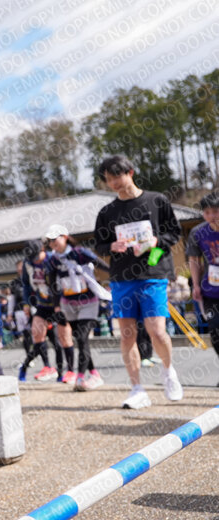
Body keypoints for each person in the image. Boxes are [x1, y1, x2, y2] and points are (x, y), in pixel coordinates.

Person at [94, 154, 183, 408]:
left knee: (157, 331)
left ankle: (168, 371)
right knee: (126, 335)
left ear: (130, 172)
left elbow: (174, 232)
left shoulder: (157, 200)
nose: (113, 183)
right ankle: (137, 388)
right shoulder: (107, 212)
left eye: (116, 176)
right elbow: (99, 245)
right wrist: (112, 246)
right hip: (121, 277)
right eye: (108, 179)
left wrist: (156, 241)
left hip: (152, 273)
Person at [43, 225, 107, 391]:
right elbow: (53, 285)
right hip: (68, 304)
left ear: (65, 237)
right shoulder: (53, 260)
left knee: (82, 337)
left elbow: (101, 264)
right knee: (80, 339)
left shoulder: (80, 253)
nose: (52, 243)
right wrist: (57, 308)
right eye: (50, 241)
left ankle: (80, 378)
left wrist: (119, 274)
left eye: (55, 239)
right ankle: (94, 374)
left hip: (88, 301)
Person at [185, 191, 219, 385]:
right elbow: (194, 260)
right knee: (215, 332)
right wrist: (196, 285)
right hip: (211, 291)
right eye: (207, 212)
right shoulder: (198, 233)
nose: (212, 216)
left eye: (215, 211)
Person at [18, 240, 63, 382]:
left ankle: (61, 373)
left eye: (37, 257)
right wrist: (26, 304)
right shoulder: (27, 264)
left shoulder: (53, 259)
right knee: (37, 336)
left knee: (58, 341)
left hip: (58, 304)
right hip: (42, 305)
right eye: (32, 258)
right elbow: (26, 285)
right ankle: (46, 367)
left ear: (43, 249)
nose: (35, 260)